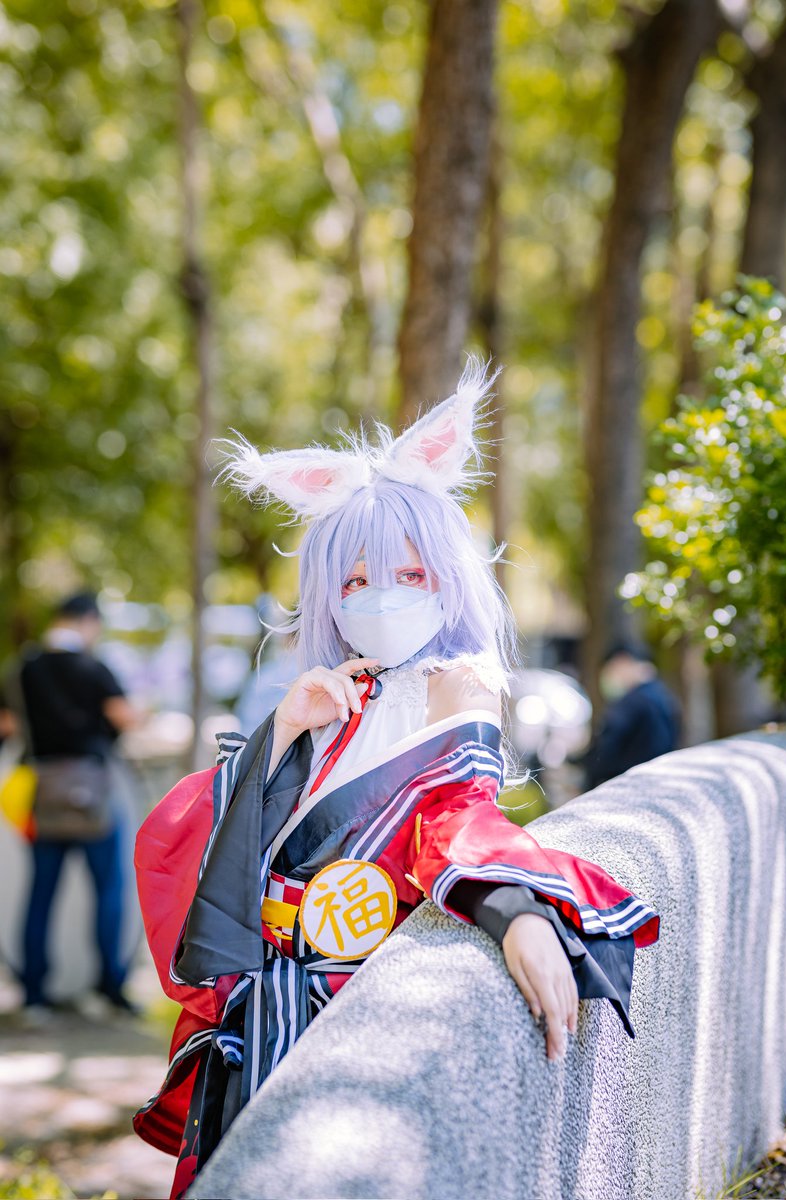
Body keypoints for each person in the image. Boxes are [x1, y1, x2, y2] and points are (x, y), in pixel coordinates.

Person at [133, 360, 660, 1199]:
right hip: (268, 993)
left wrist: (516, 910)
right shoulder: (327, 693)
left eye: (409, 576)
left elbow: (454, 816)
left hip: (354, 994)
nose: (380, 597)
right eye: (354, 581)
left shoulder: (460, 682)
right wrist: (283, 734)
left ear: (446, 576)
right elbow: (207, 834)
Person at [14, 592, 140, 1016]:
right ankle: (110, 988)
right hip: (92, 792)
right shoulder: (93, 666)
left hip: (44, 790)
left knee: (41, 892)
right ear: (88, 621)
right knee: (108, 889)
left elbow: (8, 723)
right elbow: (123, 715)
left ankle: (34, 994)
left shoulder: (26, 668)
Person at [580, 640, 681, 789]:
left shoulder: (632, 702)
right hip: (656, 780)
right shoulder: (663, 695)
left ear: (622, 661)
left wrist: (590, 777)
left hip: (626, 783)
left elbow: (607, 748)